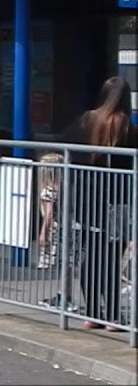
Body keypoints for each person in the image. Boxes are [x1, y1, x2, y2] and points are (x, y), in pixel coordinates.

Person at [60, 76, 137, 331]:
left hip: (86, 199)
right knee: (112, 258)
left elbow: (63, 146)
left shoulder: (85, 120)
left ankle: (93, 312)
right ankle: (113, 317)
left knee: (91, 255)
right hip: (116, 202)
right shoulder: (126, 126)